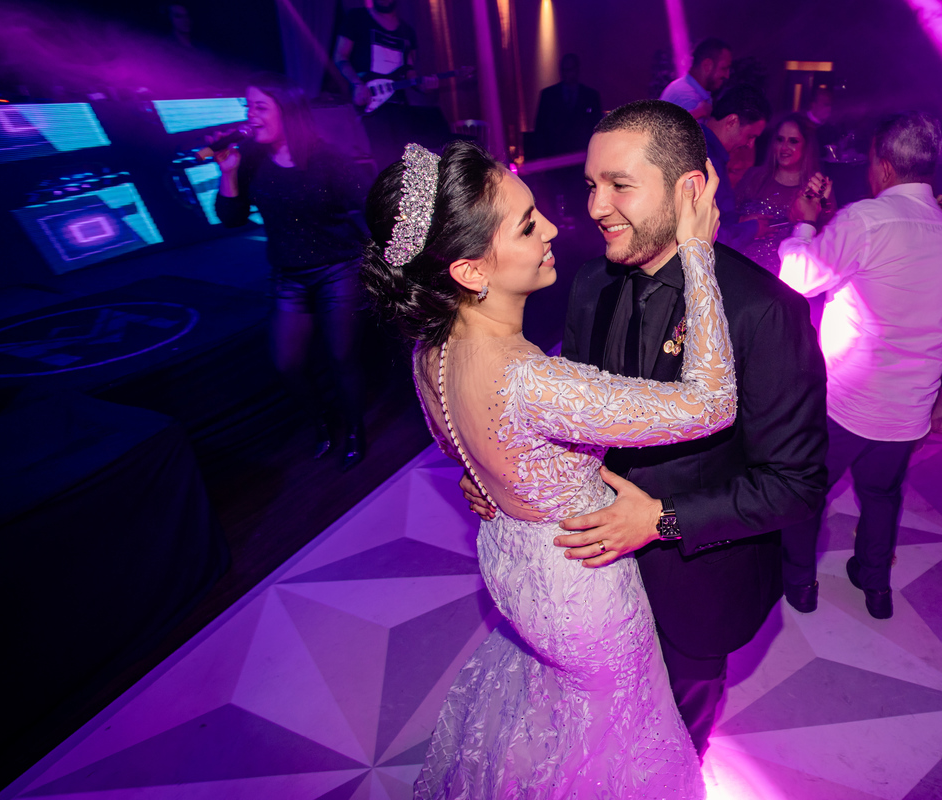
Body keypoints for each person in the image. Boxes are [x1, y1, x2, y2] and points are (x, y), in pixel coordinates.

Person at [467, 99, 829, 757]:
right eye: (591, 185)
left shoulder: (764, 312)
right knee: (605, 730)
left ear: (689, 191)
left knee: (675, 743)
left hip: (697, 585)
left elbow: (796, 485)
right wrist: (507, 473)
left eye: (619, 185)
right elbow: (574, 419)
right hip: (594, 580)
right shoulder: (589, 282)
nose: (595, 206)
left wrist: (660, 520)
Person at [366, 139, 728, 796]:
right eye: (528, 224)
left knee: (557, 713)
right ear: (470, 271)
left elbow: (459, 442)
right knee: (615, 735)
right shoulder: (531, 382)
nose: (555, 229)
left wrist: (487, 478)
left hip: (512, 560)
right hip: (580, 588)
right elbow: (712, 403)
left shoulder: (432, 348)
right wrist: (698, 252)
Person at [777, 112, 942, 620]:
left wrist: (804, 224)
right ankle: (875, 586)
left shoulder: (867, 219)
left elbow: (797, 278)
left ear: (884, 165)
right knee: (881, 496)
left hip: (846, 402)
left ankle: (800, 584)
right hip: (908, 407)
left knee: (808, 491)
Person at [213, 73, 369, 470]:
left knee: (342, 358)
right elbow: (231, 218)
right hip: (289, 276)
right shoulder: (249, 158)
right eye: (248, 108)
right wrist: (228, 172)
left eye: (260, 107)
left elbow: (369, 205)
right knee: (287, 363)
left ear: (287, 111)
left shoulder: (327, 158)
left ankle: (354, 430)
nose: (251, 116)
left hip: (337, 268)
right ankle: (322, 423)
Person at [334, 0, 436, 169]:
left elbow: (409, 70)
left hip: (400, 108)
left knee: (406, 164)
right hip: (371, 106)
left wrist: (423, 85)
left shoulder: (407, 31)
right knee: (384, 162)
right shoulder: (356, 18)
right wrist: (357, 84)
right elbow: (340, 56)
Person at [736, 112, 822, 273]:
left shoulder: (814, 189)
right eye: (780, 139)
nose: (784, 147)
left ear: (806, 146)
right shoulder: (754, 177)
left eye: (793, 141)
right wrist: (744, 222)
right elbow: (726, 220)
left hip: (782, 277)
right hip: (741, 269)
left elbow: (825, 244)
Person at [701, 85, 771, 249]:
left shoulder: (713, 154)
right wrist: (750, 230)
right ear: (732, 121)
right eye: (750, 136)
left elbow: (715, 215)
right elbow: (703, 234)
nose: (750, 144)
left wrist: (739, 220)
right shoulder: (703, 157)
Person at [533, 53, 602, 157]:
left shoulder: (591, 96)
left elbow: (597, 127)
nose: (567, 74)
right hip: (555, 155)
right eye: (564, 70)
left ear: (577, 70)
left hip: (582, 154)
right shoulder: (548, 95)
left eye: (570, 69)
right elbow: (540, 128)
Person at [660, 37, 732, 121]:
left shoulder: (685, 88)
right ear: (707, 66)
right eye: (724, 68)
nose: (727, 75)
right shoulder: (688, 98)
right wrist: (699, 112)